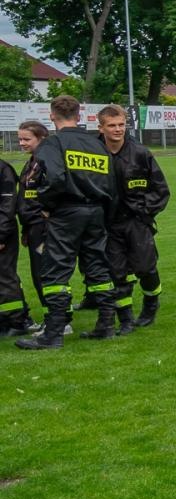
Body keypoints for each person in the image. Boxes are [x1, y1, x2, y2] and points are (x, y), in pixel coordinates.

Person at [14, 96, 118, 349]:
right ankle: (106, 324)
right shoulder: (96, 144)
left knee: (55, 270)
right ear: (79, 115)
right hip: (96, 210)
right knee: (97, 267)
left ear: (52, 116)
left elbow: (55, 179)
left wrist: (47, 206)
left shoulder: (54, 143)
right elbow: (110, 182)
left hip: (66, 211)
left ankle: (54, 332)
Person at [97, 104, 170, 333]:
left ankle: (150, 305)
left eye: (121, 124)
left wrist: (144, 211)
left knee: (146, 268)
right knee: (117, 272)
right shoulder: (94, 153)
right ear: (101, 127)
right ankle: (126, 319)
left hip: (137, 222)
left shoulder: (140, 153)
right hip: (108, 224)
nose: (118, 129)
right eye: (112, 125)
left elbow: (161, 190)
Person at [13, 121, 51, 333]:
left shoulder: (47, 161)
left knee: (45, 274)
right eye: (20, 139)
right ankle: (52, 317)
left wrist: (45, 215)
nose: (21, 143)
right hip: (33, 227)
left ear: (41, 138)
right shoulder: (32, 162)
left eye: (26, 139)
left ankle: (59, 320)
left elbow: (57, 187)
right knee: (39, 274)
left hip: (44, 227)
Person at [0, 152, 25, 335]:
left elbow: (8, 205)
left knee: (4, 275)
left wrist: (1, 235)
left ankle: (16, 321)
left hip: (3, 230)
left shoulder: (3, 169)